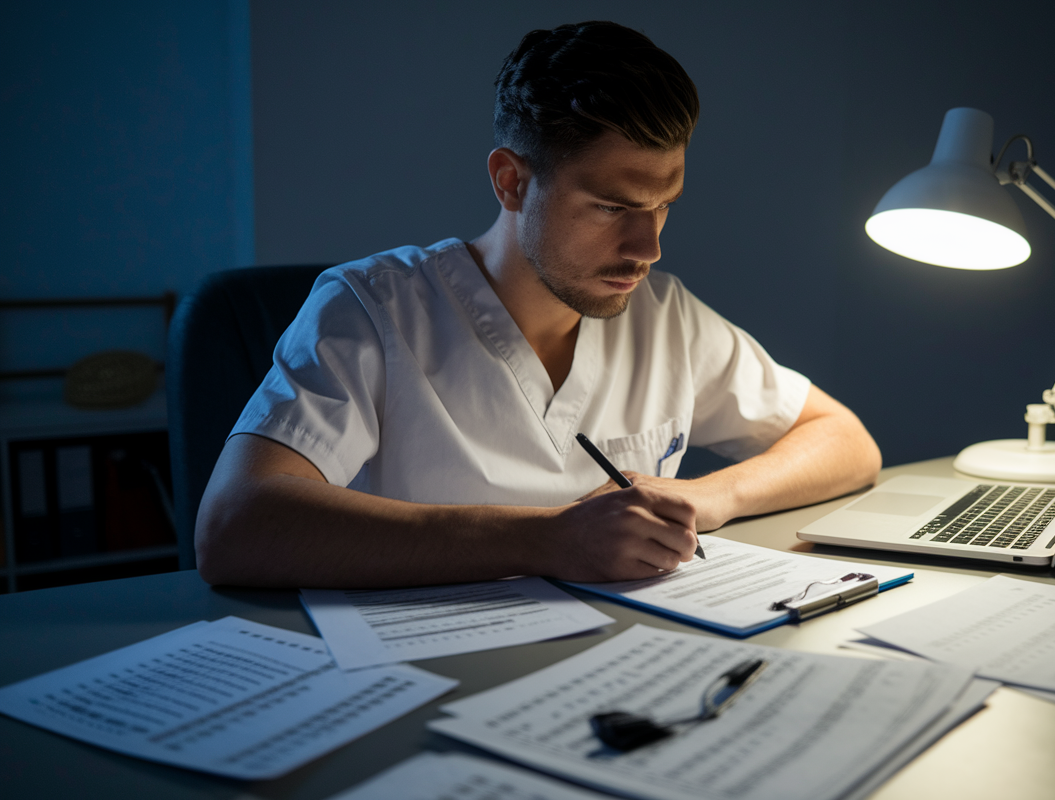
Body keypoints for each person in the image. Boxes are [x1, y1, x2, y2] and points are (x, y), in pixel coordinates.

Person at [195, 20, 880, 588]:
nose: (648, 248)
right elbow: (234, 528)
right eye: (613, 206)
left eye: (664, 206)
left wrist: (711, 497)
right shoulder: (372, 308)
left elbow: (846, 441)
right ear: (512, 181)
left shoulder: (662, 314)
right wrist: (545, 541)